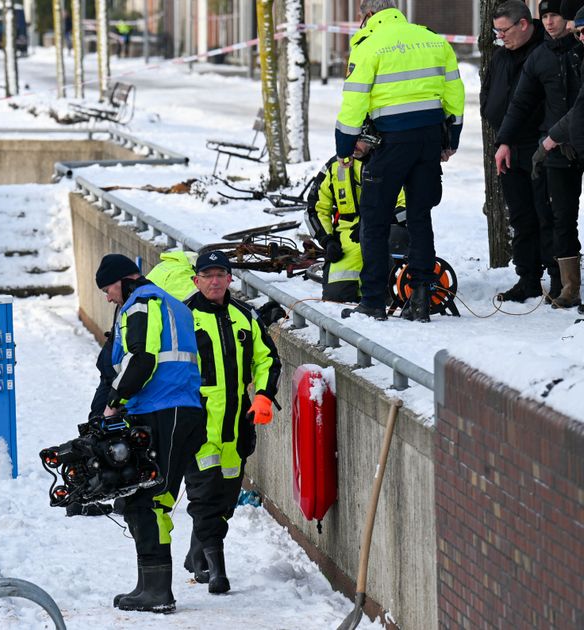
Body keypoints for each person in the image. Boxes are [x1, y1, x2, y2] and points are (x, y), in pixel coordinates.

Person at [336, 0, 465, 322]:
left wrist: (344, 147)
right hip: (428, 139)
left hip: (391, 142)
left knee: (374, 220)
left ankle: (373, 301)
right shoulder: (433, 40)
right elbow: (455, 93)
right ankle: (420, 298)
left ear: (369, 14)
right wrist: (451, 138)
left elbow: (354, 102)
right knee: (420, 217)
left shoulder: (369, 45)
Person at [93, 253, 205, 613]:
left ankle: (157, 591)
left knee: (150, 499)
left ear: (123, 281)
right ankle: (149, 585)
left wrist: (114, 401)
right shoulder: (174, 305)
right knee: (145, 497)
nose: (109, 298)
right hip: (179, 409)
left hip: (163, 408)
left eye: (108, 289)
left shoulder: (141, 303)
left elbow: (142, 358)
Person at [178, 251, 281, 594]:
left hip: (237, 424)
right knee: (204, 496)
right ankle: (216, 570)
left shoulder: (245, 316)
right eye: (207, 275)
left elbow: (267, 360)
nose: (214, 281)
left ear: (230, 279)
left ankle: (198, 555)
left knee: (225, 499)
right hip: (199, 424)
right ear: (196, 280)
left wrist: (263, 395)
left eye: (220, 274)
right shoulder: (183, 318)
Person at [496, 0, 582, 307]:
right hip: (557, 147)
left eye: (554, 15)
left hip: (573, 138)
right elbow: (520, 102)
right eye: (544, 16)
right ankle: (566, 286)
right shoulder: (540, 57)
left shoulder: (580, 49)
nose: (548, 22)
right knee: (560, 218)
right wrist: (504, 140)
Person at [486, 1, 560, 303]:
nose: (500, 36)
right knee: (520, 217)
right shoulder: (501, 56)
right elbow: (489, 92)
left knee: (547, 215)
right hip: (508, 146)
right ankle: (527, 279)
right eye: (497, 31)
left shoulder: (545, 52)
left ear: (524, 24)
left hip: (538, 145)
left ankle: (559, 281)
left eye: (504, 30)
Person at [306, 131, 408, 302]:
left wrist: (374, 222)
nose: (353, 144)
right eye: (348, 139)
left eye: (359, 139)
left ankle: (387, 292)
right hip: (347, 239)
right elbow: (316, 209)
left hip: (387, 234)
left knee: (385, 294)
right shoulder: (334, 166)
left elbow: (407, 208)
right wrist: (327, 241)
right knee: (335, 297)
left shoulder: (391, 163)